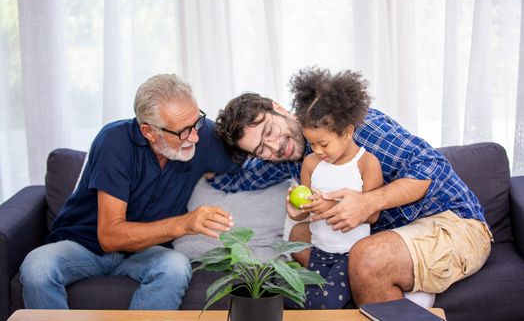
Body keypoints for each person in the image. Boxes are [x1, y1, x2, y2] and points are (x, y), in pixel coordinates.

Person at [212, 67, 493, 307]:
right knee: (298, 235)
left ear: (280, 109)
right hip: (384, 234)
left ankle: (392, 282)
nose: (275, 146)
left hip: (450, 222)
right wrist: (195, 154)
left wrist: (368, 201)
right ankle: (391, 282)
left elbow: (431, 166)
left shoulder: (353, 125)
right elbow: (239, 178)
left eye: (269, 132)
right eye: (261, 149)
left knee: (366, 258)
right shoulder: (289, 156)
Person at [19, 73, 256, 310]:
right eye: (183, 131)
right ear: (149, 132)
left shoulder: (200, 135)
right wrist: (185, 224)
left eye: (197, 122)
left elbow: (256, 157)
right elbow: (110, 236)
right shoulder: (114, 141)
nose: (194, 136)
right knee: (37, 267)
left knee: (175, 267)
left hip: (147, 253)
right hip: (84, 246)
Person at [285, 71, 383, 309]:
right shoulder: (310, 164)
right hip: (318, 250)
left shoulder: (366, 163)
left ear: (347, 132)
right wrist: (295, 209)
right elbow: (304, 211)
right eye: (312, 143)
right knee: (299, 301)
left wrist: (330, 207)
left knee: (325, 304)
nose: (317, 150)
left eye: (324, 143)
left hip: (351, 254)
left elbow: (372, 214)